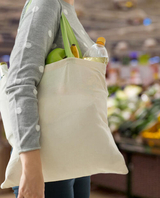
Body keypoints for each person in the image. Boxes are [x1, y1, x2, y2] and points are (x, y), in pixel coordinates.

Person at [6, 0, 95, 197]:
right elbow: (20, 82)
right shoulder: (47, 3)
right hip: (47, 158)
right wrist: (31, 170)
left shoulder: (66, 7)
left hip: (74, 151)